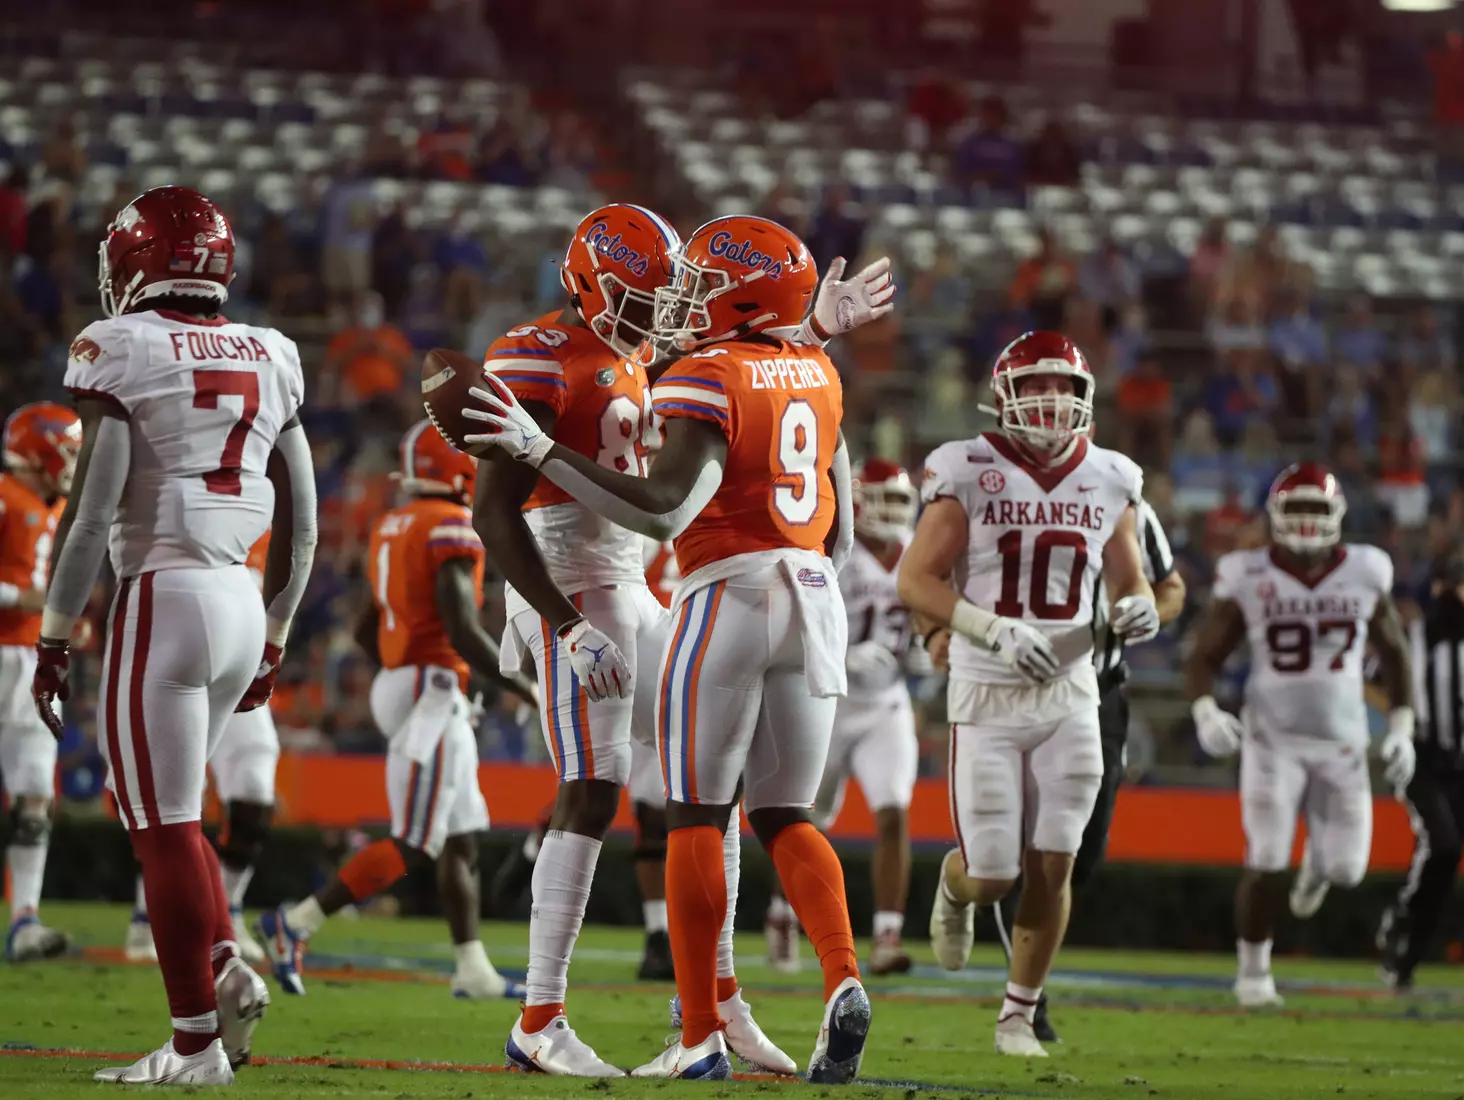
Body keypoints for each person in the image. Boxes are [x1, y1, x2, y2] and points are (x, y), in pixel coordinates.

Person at [464, 215, 875, 1084]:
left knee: (705, 789)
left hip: (645, 587)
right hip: (569, 585)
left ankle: (719, 1006)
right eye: (641, 299)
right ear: (586, 280)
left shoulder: (664, 359)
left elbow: (746, 373)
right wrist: (564, 625)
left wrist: (803, 328)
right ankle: (539, 1016)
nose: (660, 316)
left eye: (671, 299)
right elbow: (494, 510)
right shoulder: (532, 352)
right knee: (595, 785)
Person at [31, 186, 319, 1084]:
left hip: (163, 593)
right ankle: (227, 961)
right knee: (166, 811)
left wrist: (53, 637)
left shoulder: (121, 345)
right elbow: (304, 528)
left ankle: (195, 1046)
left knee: (158, 825)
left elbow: (91, 517)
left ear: (136, 262)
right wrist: (275, 635)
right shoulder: (272, 352)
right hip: (239, 599)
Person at [895, 330, 1159, 1058]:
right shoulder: (968, 467)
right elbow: (914, 579)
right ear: (1004, 395)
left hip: (1071, 690)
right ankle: (953, 891)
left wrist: (1141, 607)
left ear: (1085, 399)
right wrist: (990, 629)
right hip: (986, 690)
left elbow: (1129, 578)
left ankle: (1017, 1012)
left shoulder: (1110, 475)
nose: (1051, 400)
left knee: (1056, 860)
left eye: (1064, 388)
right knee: (993, 874)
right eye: (1035, 386)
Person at [257, 421, 533, 999]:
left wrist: (396, 666)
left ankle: (472, 969)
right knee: (415, 840)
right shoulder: (449, 524)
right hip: (429, 687)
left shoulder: (391, 524)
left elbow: (364, 624)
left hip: (405, 681)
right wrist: (520, 681)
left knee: (459, 839)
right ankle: (296, 922)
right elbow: (459, 625)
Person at [933, 490, 1185, 1041]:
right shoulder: (995, 490)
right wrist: (937, 634)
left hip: (1098, 689)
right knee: (1013, 858)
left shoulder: (1122, 498)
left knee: (1078, 853)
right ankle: (1025, 1002)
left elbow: (1169, 589)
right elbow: (929, 575)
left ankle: (1021, 987)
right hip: (1011, 688)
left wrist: (1147, 612)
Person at [1186, 462, 1414, 1008]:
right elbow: (1205, 653)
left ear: (1338, 516)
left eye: (1318, 510)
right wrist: (1203, 710)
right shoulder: (1247, 573)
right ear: (1275, 516)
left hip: (1343, 743)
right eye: (1298, 510)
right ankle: (1253, 974)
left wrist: (1403, 729)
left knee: (1346, 869)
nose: (1308, 522)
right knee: (1264, 858)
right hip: (1273, 741)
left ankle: (1316, 867)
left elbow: (1395, 654)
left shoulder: (1364, 569)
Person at [765, 459, 922, 977]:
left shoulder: (920, 555)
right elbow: (799, 610)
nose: (895, 512)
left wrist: (928, 652)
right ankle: (783, 913)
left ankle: (887, 936)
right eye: (885, 499)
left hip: (886, 704)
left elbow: (929, 621)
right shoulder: (838, 549)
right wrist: (842, 653)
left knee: (894, 812)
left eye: (902, 501)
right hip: (828, 697)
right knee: (798, 818)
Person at [0, 402, 82, 962]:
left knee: (35, 793)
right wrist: (20, 599)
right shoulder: (6, 495)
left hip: (28, 659)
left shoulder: (51, 503)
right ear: (44, 447)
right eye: (70, 449)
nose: (75, 462)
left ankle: (24, 920)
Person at [1378, 552, 1464, 990]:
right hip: (1425, 758)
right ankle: (1404, 917)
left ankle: (1406, 955)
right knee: (1444, 844)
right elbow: (1372, 681)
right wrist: (1402, 726)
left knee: (1442, 861)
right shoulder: (1414, 636)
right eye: (1453, 583)